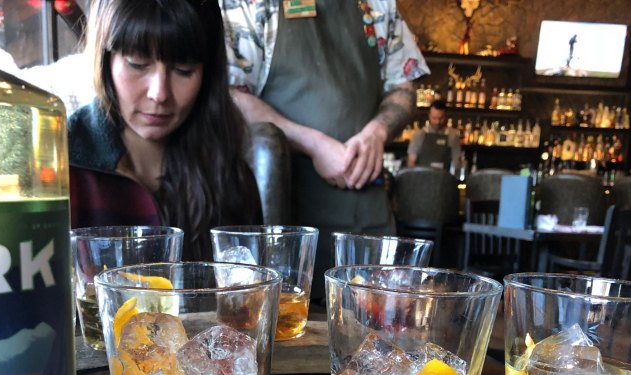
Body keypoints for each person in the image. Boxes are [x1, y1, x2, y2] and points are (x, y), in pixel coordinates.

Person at [219, 0, 430, 299]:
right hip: (282, 216)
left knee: (381, 326)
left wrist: (376, 133)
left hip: (368, 211)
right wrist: (313, 143)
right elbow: (229, 96)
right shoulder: (249, 5)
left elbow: (403, 87)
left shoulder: (378, 4)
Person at [69, 0, 262, 260]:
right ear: (105, 60)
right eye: (137, 64)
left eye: (184, 70)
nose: (159, 93)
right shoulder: (61, 165)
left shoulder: (231, 177)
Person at [406, 99, 461, 172]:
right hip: (423, 178)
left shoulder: (453, 136)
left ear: (446, 116)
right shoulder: (419, 135)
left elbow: (456, 163)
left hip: (444, 179)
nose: (437, 122)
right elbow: (411, 162)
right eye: (434, 118)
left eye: (441, 118)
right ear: (429, 116)